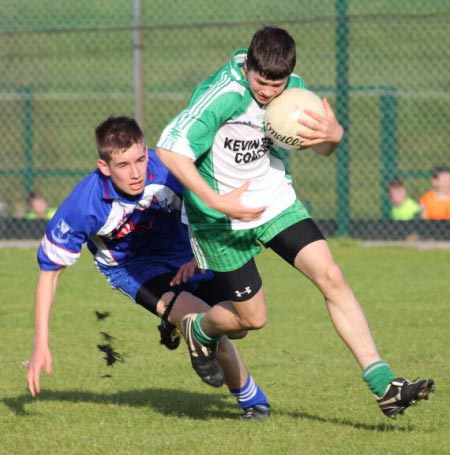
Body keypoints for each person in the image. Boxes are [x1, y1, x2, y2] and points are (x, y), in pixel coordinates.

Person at [156, 26, 434, 418]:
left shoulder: (294, 93)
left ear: (289, 74)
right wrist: (219, 202)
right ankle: (200, 328)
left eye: (277, 83)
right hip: (219, 221)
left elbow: (322, 146)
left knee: (332, 276)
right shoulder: (223, 95)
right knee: (252, 319)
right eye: (261, 82)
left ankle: (383, 384)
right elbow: (169, 149)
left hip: (275, 203)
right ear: (248, 66)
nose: (268, 92)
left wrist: (334, 135)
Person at [26, 115, 270, 420]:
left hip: (185, 254)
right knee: (201, 322)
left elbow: (212, 209)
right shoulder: (85, 205)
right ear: (104, 167)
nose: (136, 173)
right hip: (134, 268)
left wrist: (198, 257)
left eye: (140, 160)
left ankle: (175, 323)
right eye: (123, 165)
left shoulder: (169, 171)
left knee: (239, 325)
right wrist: (40, 344)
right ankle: (253, 402)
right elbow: (49, 274)